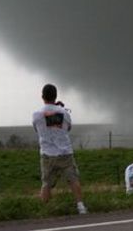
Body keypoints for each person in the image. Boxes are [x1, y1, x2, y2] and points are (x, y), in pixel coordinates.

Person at [32, 84, 88, 214]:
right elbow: (68, 128)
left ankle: (45, 209)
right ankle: (81, 207)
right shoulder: (64, 113)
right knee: (73, 179)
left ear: (42, 97)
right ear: (56, 96)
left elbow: (37, 129)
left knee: (46, 183)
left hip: (47, 154)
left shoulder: (36, 115)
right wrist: (58, 109)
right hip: (65, 153)